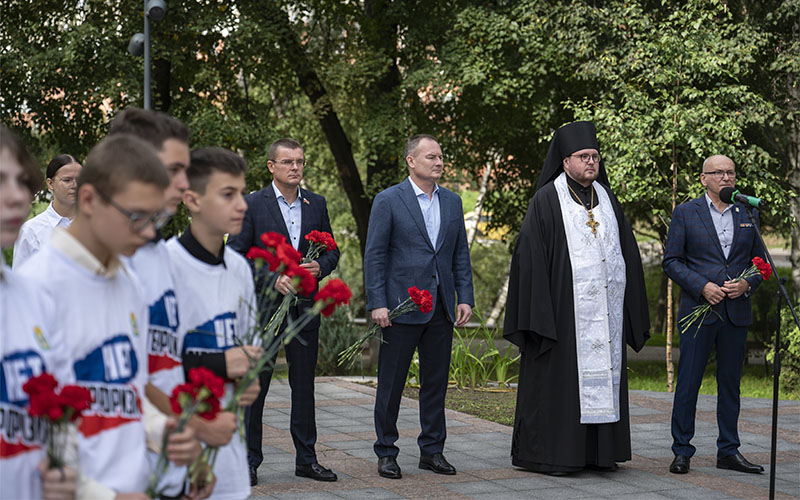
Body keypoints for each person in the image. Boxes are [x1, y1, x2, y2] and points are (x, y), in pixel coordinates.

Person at [18, 133, 199, 499]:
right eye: (136, 217)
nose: (149, 232)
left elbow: (128, 394)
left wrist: (164, 433)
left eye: (156, 219)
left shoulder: (130, 284)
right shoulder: (36, 290)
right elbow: (28, 433)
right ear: (89, 199)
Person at [503, 121, 650, 475]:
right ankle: (555, 454)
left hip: (605, 311)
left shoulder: (606, 198)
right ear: (565, 161)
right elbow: (529, 259)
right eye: (583, 157)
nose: (591, 163)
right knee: (562, 383)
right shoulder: (546, 200)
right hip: (562, 315)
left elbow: (626, 254)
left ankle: (599, 454)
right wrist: (540, 315)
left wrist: (631, 308)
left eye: (595, 157)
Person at [108, 108, 234, 498]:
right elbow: (117, 377)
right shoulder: (108, 262)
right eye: (174, 169)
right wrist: (195, 429)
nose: (184, 183)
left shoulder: (159, 256)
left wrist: (190, 450)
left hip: (168, 471)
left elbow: (163, 363)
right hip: (120, 479)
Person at [227, 138, 340, 484]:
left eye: (300, 162)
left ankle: (307, 459)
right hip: (264, 312)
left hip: (304, 309)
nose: (296, 167)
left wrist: (321, 266)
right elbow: (235, 255)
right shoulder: (251, 205)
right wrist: (271, 277)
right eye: (288, 161)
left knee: (303, 386)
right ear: (271, 166)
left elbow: (332, 250)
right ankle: (248, 462)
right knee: (256, 385)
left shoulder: (316, 203)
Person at [364, 134, 474, 479]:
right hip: (399, 307)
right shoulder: (388, 200)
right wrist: (377, 302)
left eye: (441, 157)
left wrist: (465, 296)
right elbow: (375, 254)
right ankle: (386, 451)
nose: (439, 162)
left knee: (435, 382)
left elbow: (459, 254)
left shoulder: (453, 202)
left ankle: (432, 451)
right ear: (411, 161)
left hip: (440, 307)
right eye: (431, 157)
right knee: (391, 382)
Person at [166, 147, 261, 500]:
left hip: (230, 449)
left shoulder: (239, 268)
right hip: (183, 450)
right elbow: (153, 367)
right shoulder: (165, 267)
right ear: (192, 199)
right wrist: (220, 364)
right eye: (227, 194)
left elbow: (247, 348)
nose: (242, 205)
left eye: (241, 193)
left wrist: (249, 375)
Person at [663, 155, 765, 475]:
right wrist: (702, 286)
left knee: (730, 384)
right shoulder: (685, 213)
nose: (726, 178)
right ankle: (682, 451)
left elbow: (761, 262)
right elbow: (672, 262)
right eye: (718, 173)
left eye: (730, 172)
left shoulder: (747, 212)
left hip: (736, 312)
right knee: (689, 382)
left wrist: (747, 284)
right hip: (698, 310)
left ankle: (728, 451)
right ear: (703, 178)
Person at [1, 125, 78, 500]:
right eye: (1, 181)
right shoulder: (34, 231)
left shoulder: (25, 302)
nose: (15, 196)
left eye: (21, 183)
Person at [13, 153, 82, 267]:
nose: (74, 185)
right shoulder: (31, 231)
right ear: (50, 184)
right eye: (67, 180)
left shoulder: (96, 227)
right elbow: (20, 281)